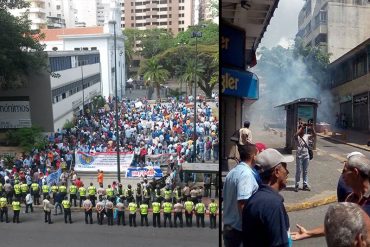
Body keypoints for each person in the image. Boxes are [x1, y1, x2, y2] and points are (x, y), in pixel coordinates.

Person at [292, 155, 370, 240]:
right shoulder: (350, 199)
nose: (342, 176)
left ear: (355, 173)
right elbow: (339, 226)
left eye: (344, 171)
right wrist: (308, 233)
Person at [242, 148, 294, 247]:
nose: (287, 172)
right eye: (285, 168)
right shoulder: (273, 204)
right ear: (277, 172)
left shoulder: (253, 200)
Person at [223, 143, 259, 247]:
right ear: (253, 156)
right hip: (239, 230)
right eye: (258, 154)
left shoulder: (232, 172)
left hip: (230, 227)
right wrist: (251, 228)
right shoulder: (246, 174)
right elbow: (243, 203)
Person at [294, 123, 316, 192]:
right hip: (299, 156)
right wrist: (300, 128)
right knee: (299, 171)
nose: (303, 130)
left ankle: (305, 185)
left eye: (304, 129)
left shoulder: (306, 136)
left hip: (306, 156)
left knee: (305, 171)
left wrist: (312, 128)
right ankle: (297, 185)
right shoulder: (297, 137)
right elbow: (295, 135)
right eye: (302, 129)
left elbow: (314, 135)